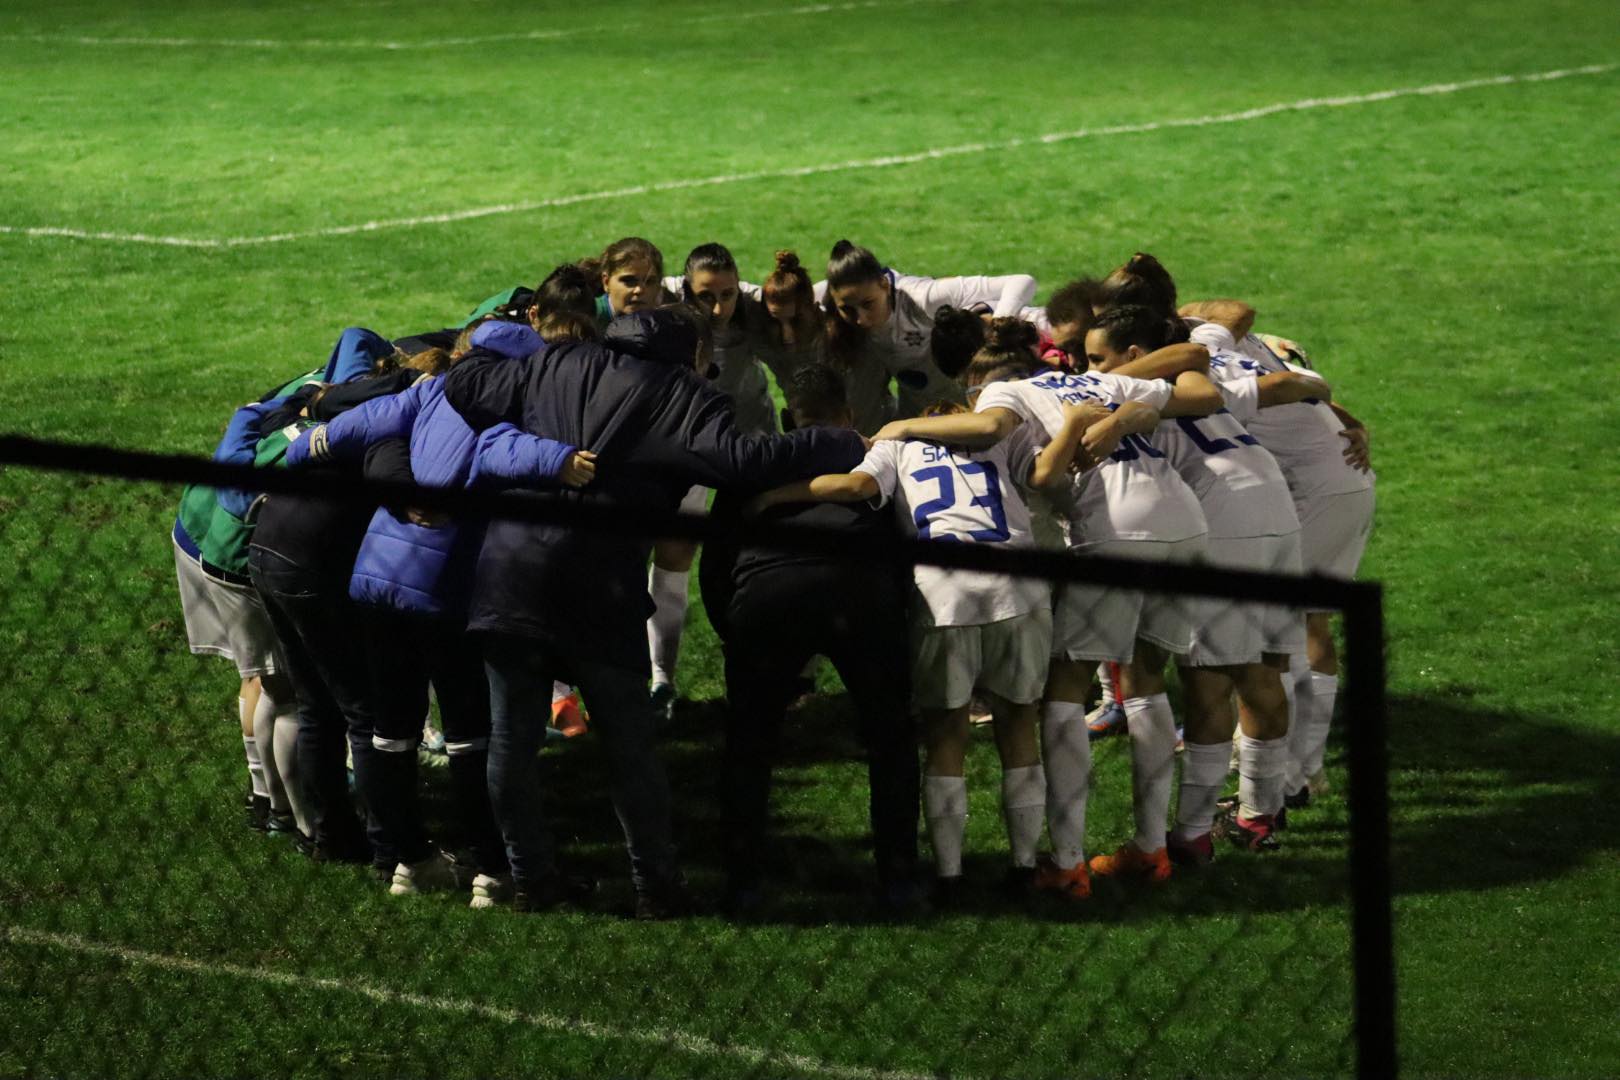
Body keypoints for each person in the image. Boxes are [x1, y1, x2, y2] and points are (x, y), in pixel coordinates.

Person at [442, 304, 866, 917]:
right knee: (629, 745)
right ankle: (655, 884)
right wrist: (839, 440)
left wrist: (486, 344)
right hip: (598, 585)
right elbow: (744, 462)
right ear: (689, 352)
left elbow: (466, 385)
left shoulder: (554, 360)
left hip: (511, 573)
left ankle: (531, 876)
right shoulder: (685, 396)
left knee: (512, 739)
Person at [871, 316, 1218, 893]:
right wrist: (1133, 411)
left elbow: (987, 427)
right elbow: (1203, 390)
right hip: (1185, 522)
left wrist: (900, 425)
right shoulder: (1094, 380)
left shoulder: (1007, 394)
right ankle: (1153, 849)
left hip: (1114, 528)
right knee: (1147, 678)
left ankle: (1065, 862)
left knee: (1064, 685)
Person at [756, 348, 1099, 901]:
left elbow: (856, 488)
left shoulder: (896, 442)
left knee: (946, 732)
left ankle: (949, 875)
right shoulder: (996, 437)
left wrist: (776, 495)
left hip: (945, 592)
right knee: (1017, 724)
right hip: (1017, 585)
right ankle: (1021, 866)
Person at [1089, 303, 1318, 857]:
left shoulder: (1130, 392)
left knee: (1212, 681)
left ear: (1135, 355)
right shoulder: (1194, 379)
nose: (1087, 367)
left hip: (1226, 526)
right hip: (1275, 512)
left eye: (1098, 357)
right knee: (1264, 665)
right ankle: (1262, 811)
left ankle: (1195, 835)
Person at [700, 364, 919, 914]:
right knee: (890, 740)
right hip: (859, 592)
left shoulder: (755, 463)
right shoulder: (874, 455)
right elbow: (907, 541)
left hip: (768, 594)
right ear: (848, 414)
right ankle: (898, 880)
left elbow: (715, 563)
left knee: (749, 745)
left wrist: (735, 631)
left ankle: (744, 882)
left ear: (786, 416)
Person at [817, 239, 1038, 432]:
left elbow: (1020, 281)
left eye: (868, 304)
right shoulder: (833, 295)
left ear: (884, 284)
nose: (861, 319)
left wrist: (1000, 328)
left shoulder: (924, 297)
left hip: (969, 409)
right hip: (918, 415)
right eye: (847, 309)